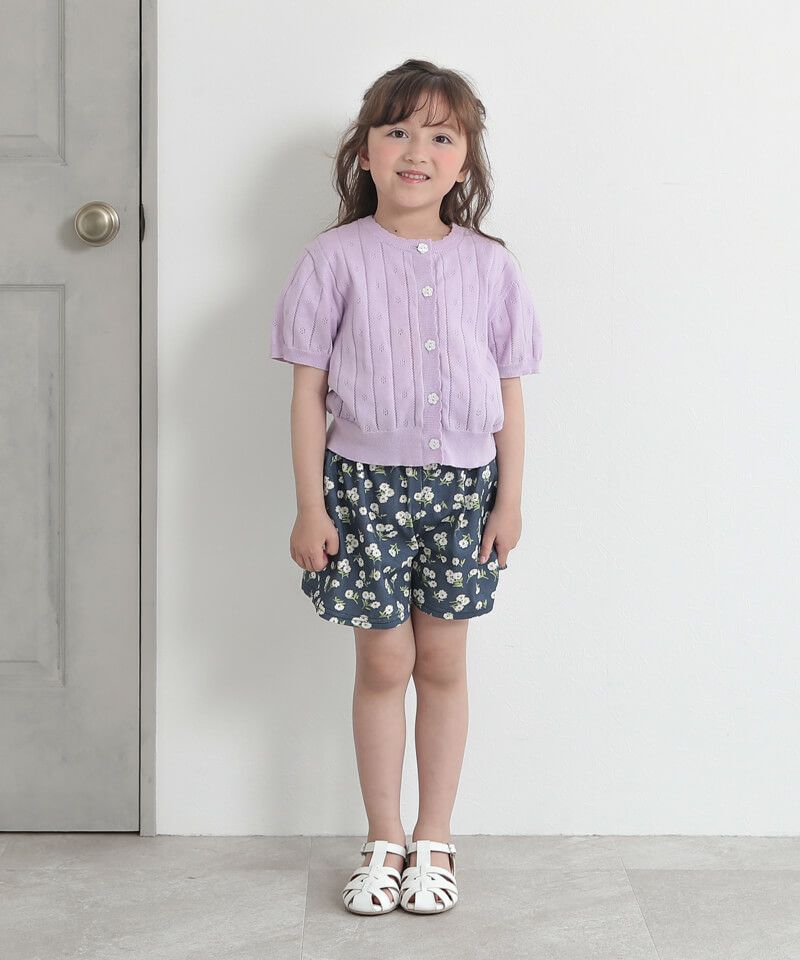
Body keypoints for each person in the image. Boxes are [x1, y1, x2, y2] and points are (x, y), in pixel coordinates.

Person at [270, 58, 543, 916]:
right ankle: (383, 838)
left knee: (444, 661)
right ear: (365, 153)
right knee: (384, 661)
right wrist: (311, 505)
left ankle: (435, 838)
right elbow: (308, 392)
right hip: (361, 492)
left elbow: (509, 394)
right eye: (397, 131)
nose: (417, 151)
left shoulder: (491, 267)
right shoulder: (332, 259)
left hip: (465, 494)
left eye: (440, 136)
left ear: (464, 162)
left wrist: (509, 502)